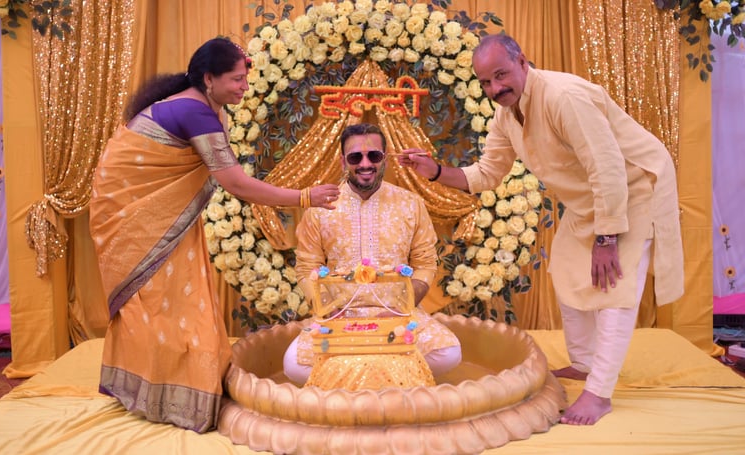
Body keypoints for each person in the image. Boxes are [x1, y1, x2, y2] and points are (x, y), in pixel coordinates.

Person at [399, 34, 683, 426]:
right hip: (589, 201)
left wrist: (607, 238)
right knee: (565, 268)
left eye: (501, 75)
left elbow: (607, 167)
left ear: (522, 61)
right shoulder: (506, 115)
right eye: (486, 82)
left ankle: (599, 393)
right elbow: (486, 174)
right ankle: (583, 364)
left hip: (633, 189)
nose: (495, 88)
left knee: (614, 288)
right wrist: (433, 171)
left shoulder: (564, 97)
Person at [89, 37, 339, 433]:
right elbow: (235, 183)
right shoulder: (196, 112)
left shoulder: (201, 107)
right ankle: (167, 395)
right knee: (161, 305)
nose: (244, 87)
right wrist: (305, 197)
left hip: (156, 215)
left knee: (173, 303)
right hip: (137, 217)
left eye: (245, 79)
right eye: (237, 79)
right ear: (209, 78)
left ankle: (164, 393)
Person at [282, 123, 462, 387]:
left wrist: (404, 306)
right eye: (356, 157)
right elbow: (307, 266)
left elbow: (425, 263)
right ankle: (389, 385)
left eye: (373, 156)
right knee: (293, 364)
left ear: (384, 159)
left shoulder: (410, 203)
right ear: (343, 161)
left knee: (449, 353)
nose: (365, 164)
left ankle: (352, 387)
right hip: (340, 315)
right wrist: (329, 308)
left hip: (399, 314)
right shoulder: (321, 208)